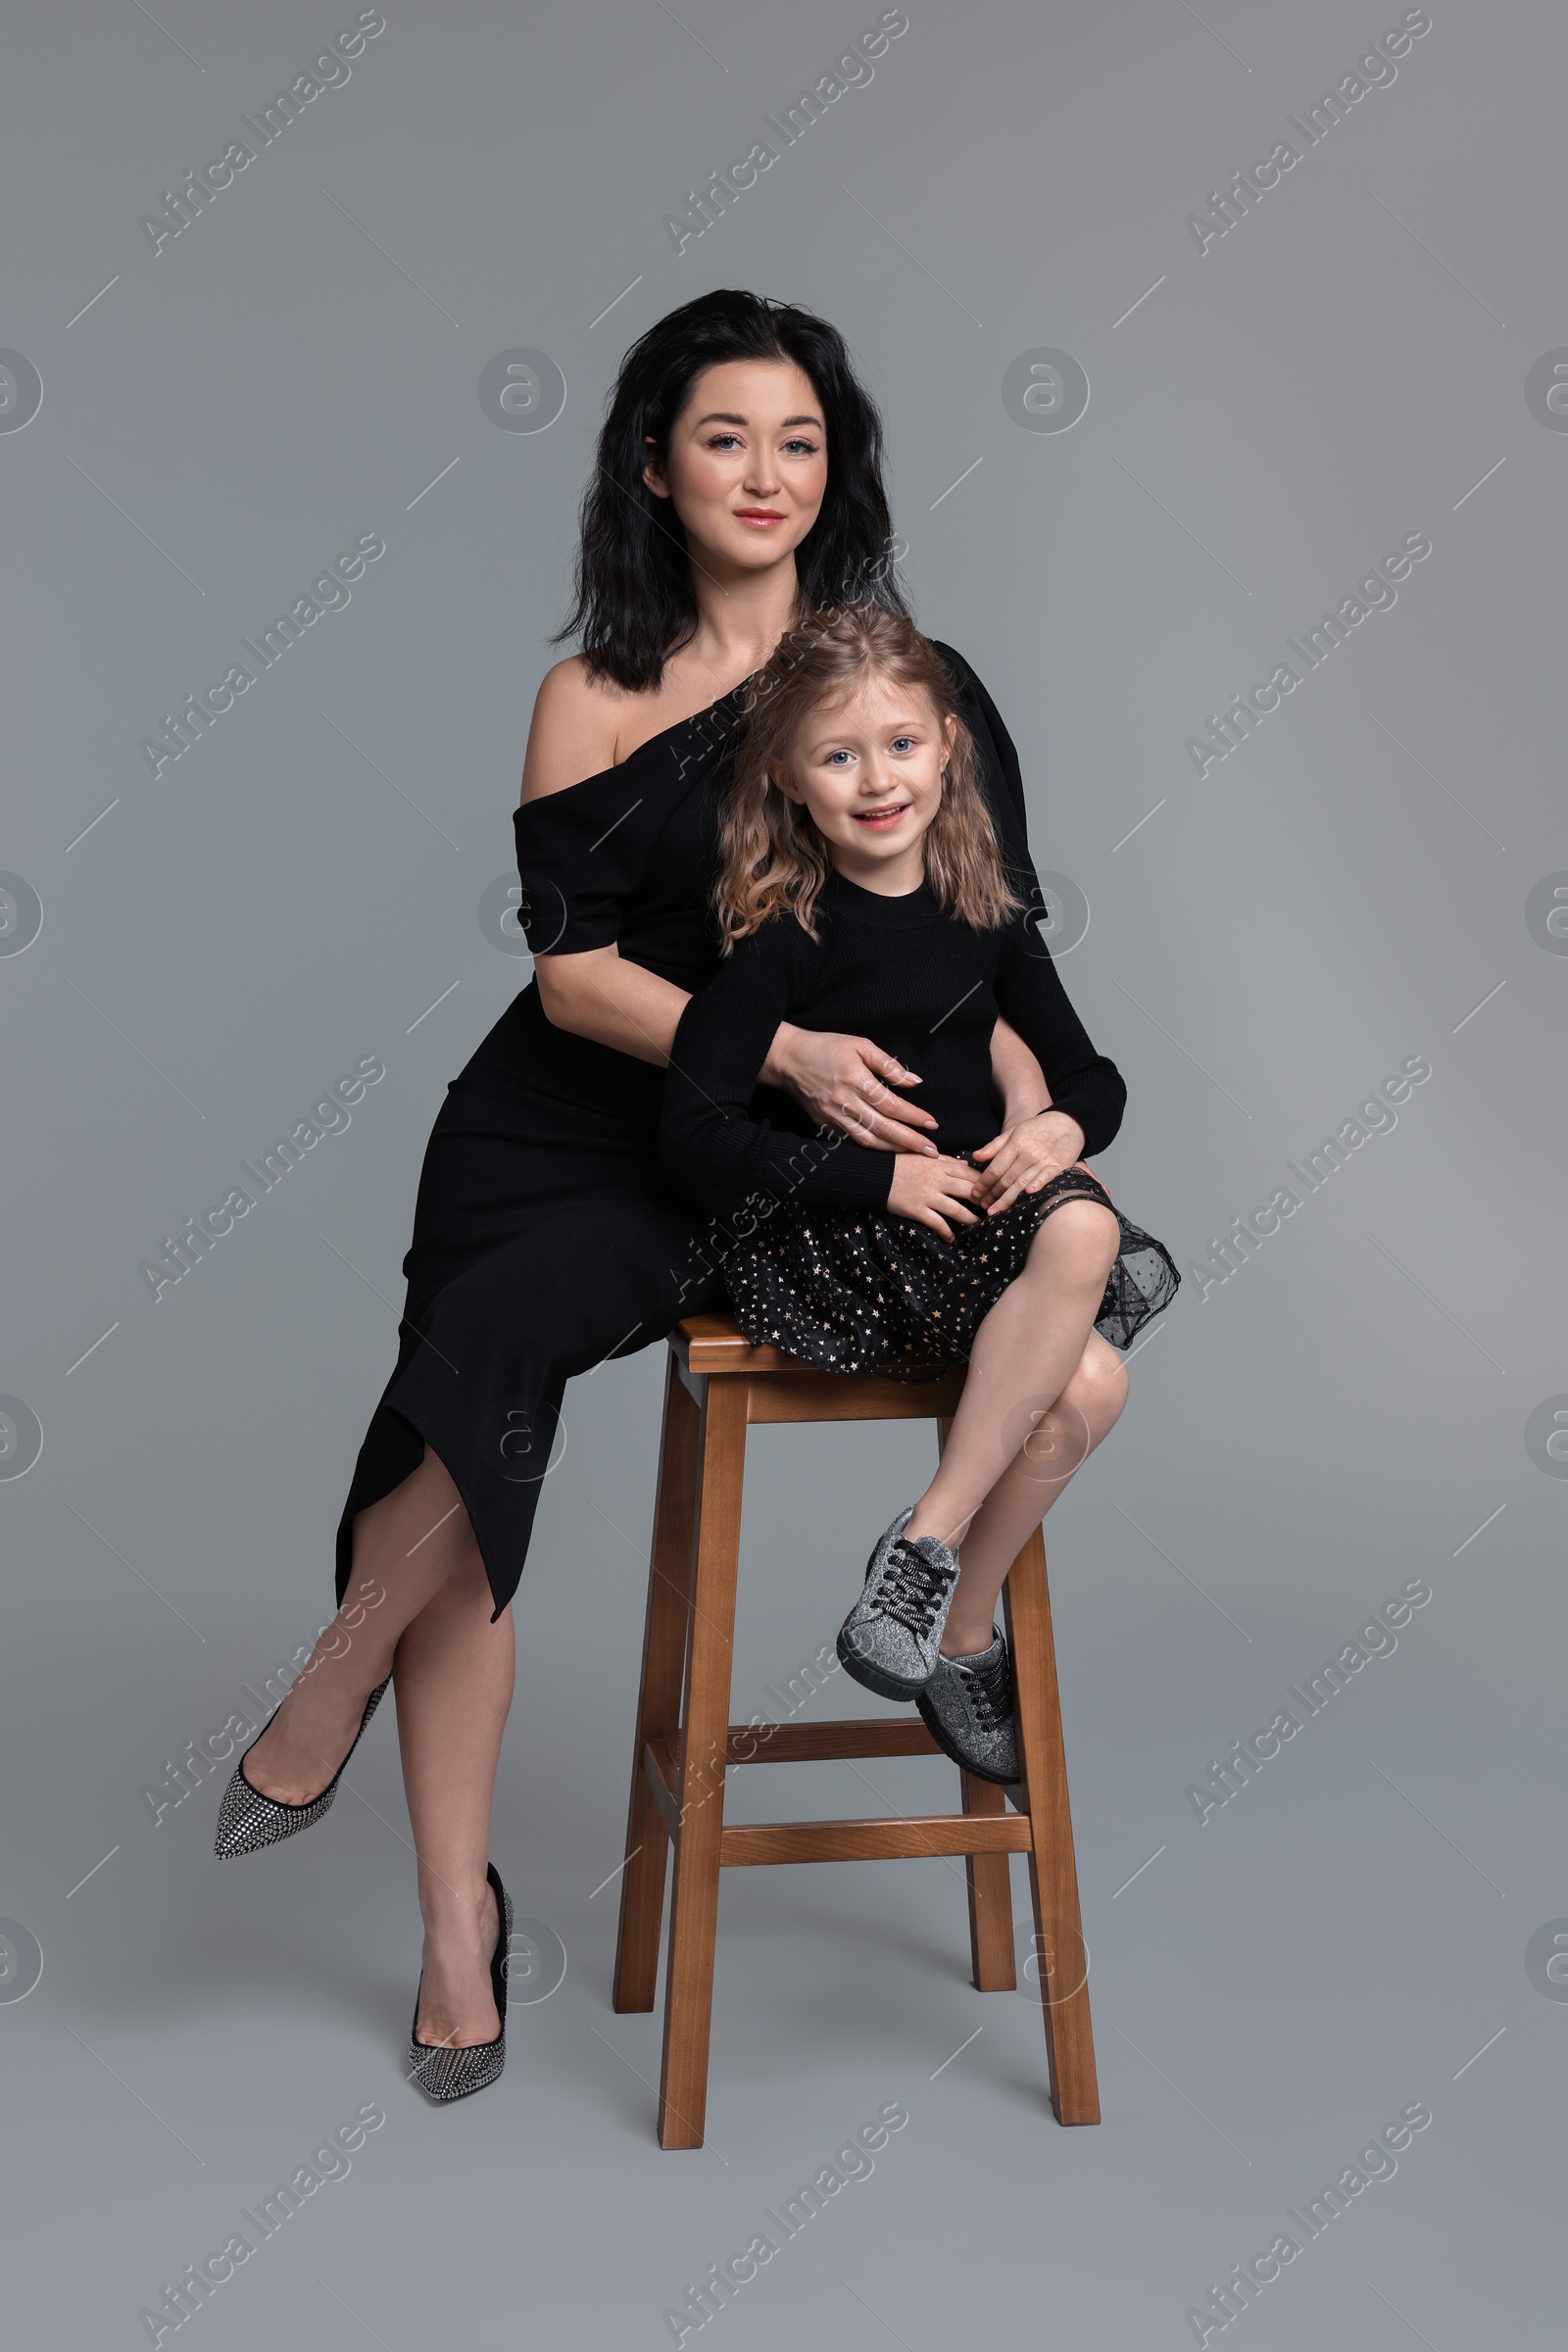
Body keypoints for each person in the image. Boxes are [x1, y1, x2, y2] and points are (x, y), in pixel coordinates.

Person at [209, 290, 1060, 2099]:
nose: (767, 473)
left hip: (747, 1165)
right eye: (728, 437)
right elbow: (575, 979)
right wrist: (782, 1049)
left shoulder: (913, 683)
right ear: (655, 467)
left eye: (802, 440)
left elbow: (990, 951)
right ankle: (458, 1929)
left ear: (840, 473)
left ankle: (326, 1686)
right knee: (480, 1394)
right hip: (559, 1124)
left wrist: (1023, 1122)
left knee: (474, 1389)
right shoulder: (586, 693)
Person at [661, 605, 1178, 1785]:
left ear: (949, 748)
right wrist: (878, 1178)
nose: (876, 780)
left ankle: (930, 1562)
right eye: (837, 756)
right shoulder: (780, 940)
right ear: (791, 780)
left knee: (1087, 1216)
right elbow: (691, 1134)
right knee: (1093, 1378)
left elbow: (1098, 1077)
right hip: (847, 1233)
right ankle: (955, 1616)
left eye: (901, 745)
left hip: (971, 1226)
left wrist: (1053, 1126)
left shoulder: (985, 915)